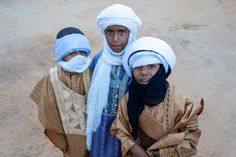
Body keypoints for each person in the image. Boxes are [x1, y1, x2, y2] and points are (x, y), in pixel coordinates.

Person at [110, 37, 204, 157]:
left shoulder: (178, 101)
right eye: (138, 67)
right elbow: (120, 129)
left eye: (151, 66)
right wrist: (135, 149)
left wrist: (159, 153)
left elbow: (191, 137)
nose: (144, 72)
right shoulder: (128, 99)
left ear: (161, 69)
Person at [86, 4, 142, 157]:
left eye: (121, 32)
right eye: (110, 32)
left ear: (130, 33)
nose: (115, 39)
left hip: (125, 126)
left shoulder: (137, 63)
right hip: (100, 123)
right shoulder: (99, 60)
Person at [30, 27, 91, 157]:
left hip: (95, 135)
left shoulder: (92, 72)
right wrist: (62, 144)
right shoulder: (51, 79)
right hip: (71, 141)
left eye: (82, 52)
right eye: (73, 53)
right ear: (62, 54)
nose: (79, 57)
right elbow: (49, 115)